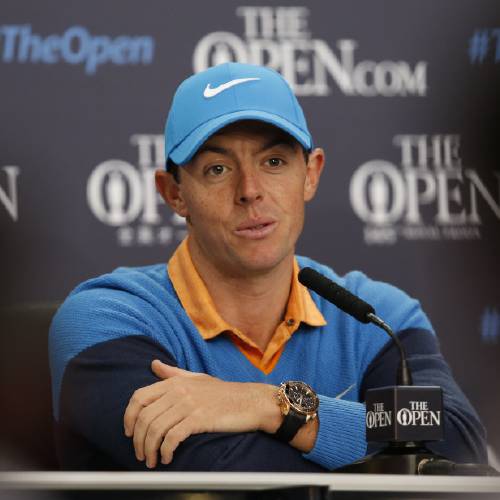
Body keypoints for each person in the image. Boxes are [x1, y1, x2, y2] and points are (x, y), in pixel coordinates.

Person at [49, 62, 487, 472]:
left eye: (273, 162)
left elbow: (454, 443)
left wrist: (270, 406)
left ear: (310, 174)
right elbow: (216, 468)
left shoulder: (377, 317)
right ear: (174, 194)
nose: (250, 191)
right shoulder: (107, 319)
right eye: (217, 169)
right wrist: (380, 457)